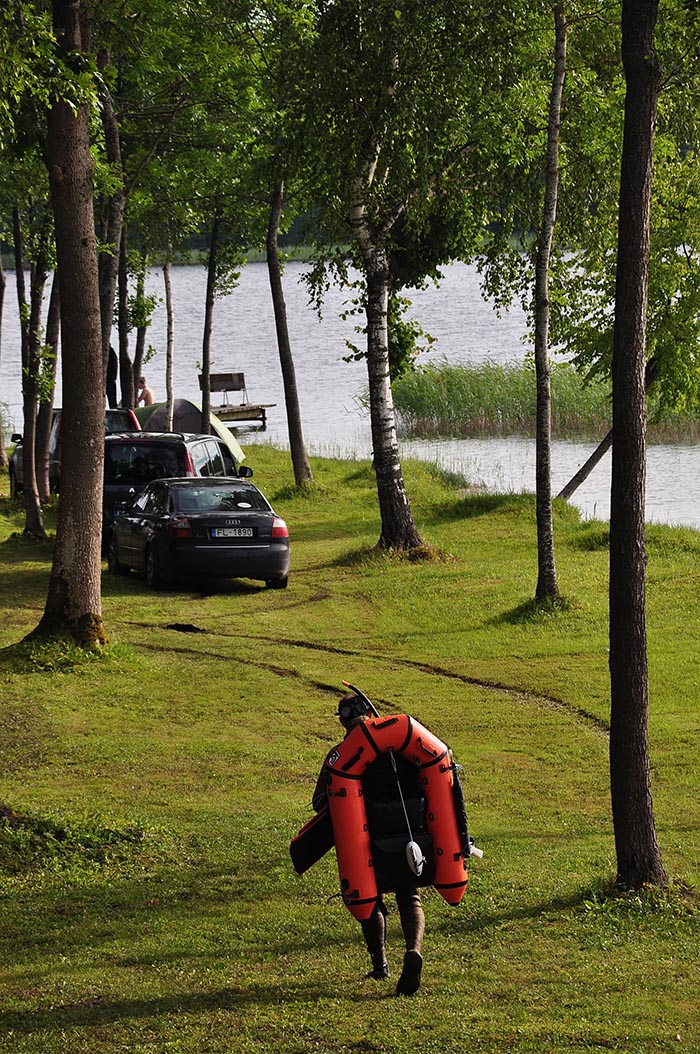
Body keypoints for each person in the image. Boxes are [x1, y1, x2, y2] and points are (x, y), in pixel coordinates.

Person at [313, 692, 426, 996]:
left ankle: (380, 965)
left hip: (365, 841)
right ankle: (413, 950)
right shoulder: (400, 746)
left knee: (369, 899)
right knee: (409, 896)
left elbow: (319, 802)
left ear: (343, 723)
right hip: (408, 836)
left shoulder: (339, 755)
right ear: (371, 714)